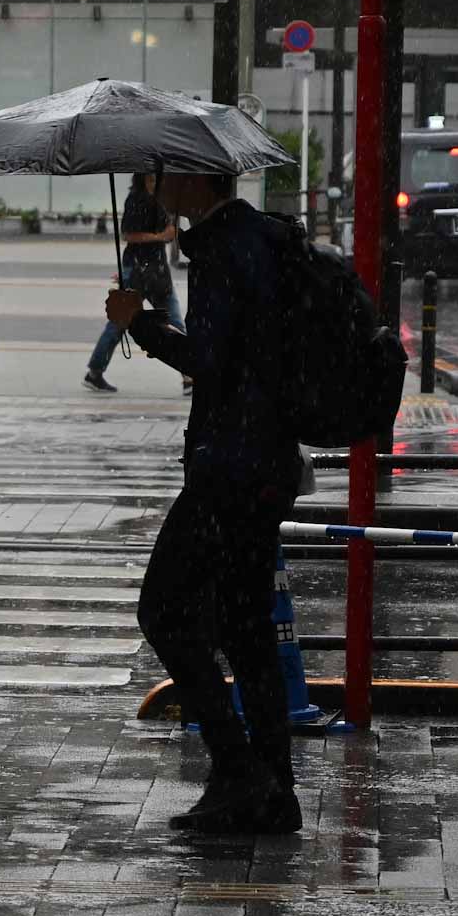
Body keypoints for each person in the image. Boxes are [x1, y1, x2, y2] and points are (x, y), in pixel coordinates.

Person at [104, 172, 304, 836]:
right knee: (247, 629)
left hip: (229, 466)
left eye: (166, 175)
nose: (157, 186)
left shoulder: (222, 252)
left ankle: (236, 765)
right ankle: (273, 789)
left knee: (161, 609)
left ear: (195, 181)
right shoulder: (269, 239)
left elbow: (211, 364)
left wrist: (144, 325)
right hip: (270, 459)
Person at [85, 172, 188, 394]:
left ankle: (189, 374)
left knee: (174, 319)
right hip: (137, 270)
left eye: (156, 177)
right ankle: (94, 371)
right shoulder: (136, 200)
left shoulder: (163, 199)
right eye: (150, 177)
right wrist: (161, 236)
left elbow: (169, 232)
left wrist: (170, 233)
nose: (154, 181)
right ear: (142, 178)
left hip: (158, 271)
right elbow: (129, 235)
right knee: (119, 322)